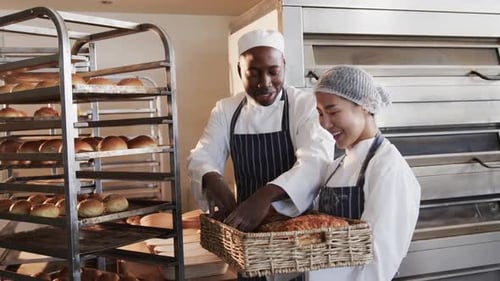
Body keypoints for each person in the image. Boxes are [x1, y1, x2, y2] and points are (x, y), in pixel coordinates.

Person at [187, 29, 334, 280]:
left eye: (273, 71)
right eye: (253, 73)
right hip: (249, 234)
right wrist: (214, 181)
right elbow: (202, 156)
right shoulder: (226, 110)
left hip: (296, 233)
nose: (264, 82)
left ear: (284, 67)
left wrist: (264, 197)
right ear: (239, 71)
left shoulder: (304, 104)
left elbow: (315, 160)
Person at [274, 66, 421, 281]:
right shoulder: (335, 167)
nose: (324, 123)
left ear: (363, 106)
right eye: (321, 113)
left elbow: (379, 261)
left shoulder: (387, 168)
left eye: (333, 112)